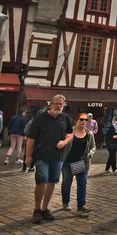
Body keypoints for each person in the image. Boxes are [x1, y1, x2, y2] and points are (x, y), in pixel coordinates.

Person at [25, 94, 73, 224]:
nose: (58, 106)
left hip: (58, 156)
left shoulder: (65, 118)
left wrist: (65, 141)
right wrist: (28, 156)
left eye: (61, 104)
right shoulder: (40, 117)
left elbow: (70, 133)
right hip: (42, 155)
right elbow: (31, 138)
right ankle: (37, 209)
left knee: (52, 181)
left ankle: (45, 208)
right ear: (50, 104)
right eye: (56, 103)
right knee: (41, 181)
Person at [61, 112, 96, 213]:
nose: (84, 121)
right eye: (81, 119)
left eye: (86, 120)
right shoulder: (69, 132)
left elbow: (93, 146)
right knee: (67, 183)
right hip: (68, 162)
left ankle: (81, 205)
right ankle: (66, 202)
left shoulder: (89, 134)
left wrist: (90, 154)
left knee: (82, 183)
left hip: (82, 162)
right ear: (76, 120)